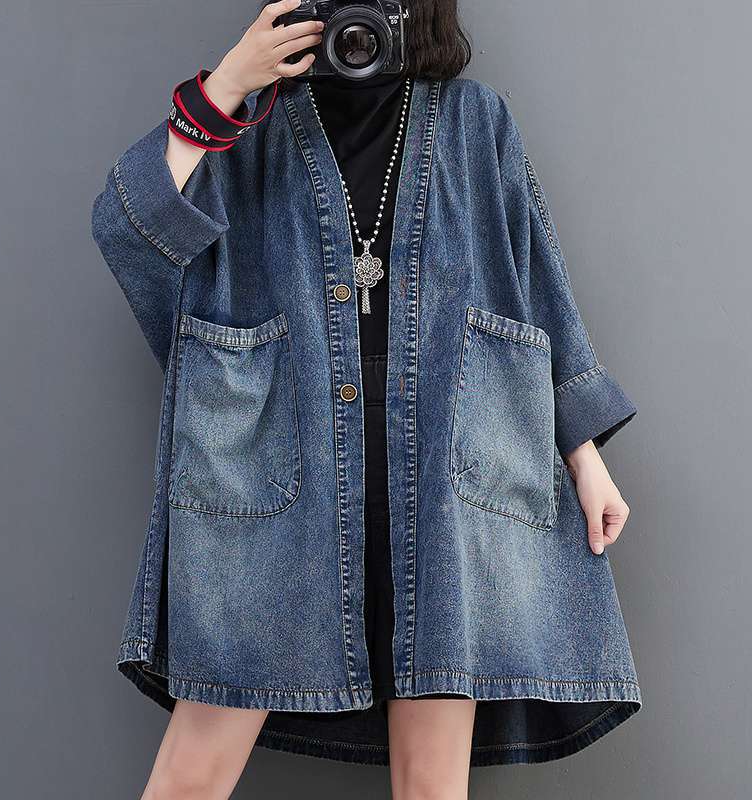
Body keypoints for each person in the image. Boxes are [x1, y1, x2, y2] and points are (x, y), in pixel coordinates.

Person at [91, 1, 641, 797]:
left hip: (449, 480)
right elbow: (129, 229)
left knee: (431, 786)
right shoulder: (252, 125)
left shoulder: (475, 119)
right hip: (276, 476)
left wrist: (584, 456)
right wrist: (227, 86)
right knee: (190, 778)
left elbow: (533, 288)